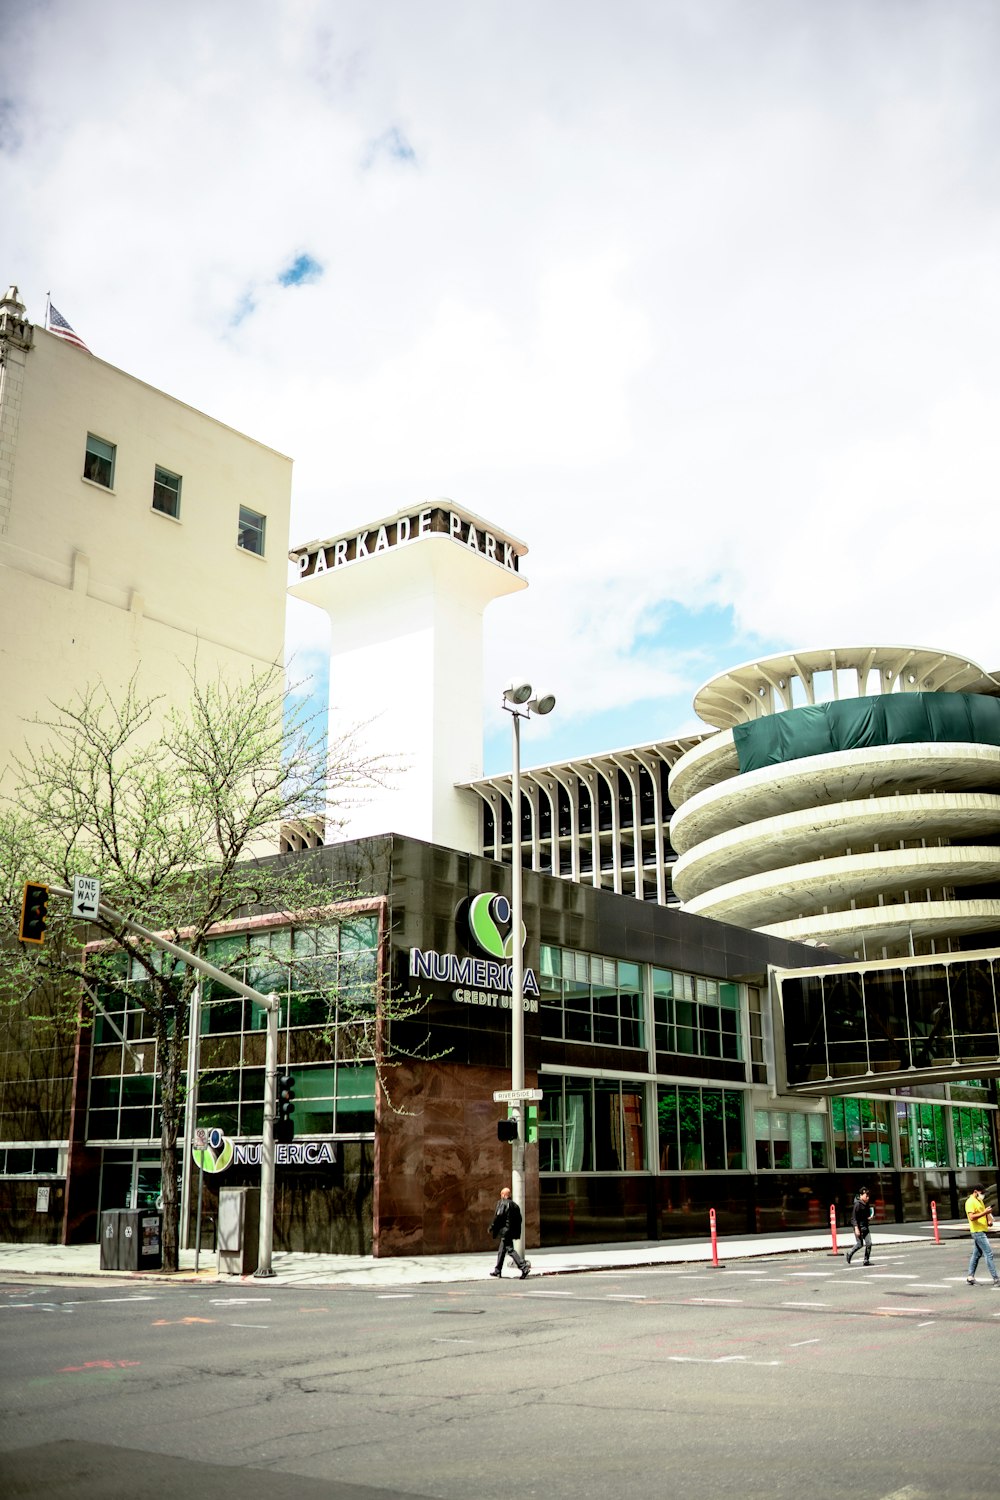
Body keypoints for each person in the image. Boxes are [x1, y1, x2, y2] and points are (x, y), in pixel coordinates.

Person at [488, 1186, 531, 1279]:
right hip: (511, 1231)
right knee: (501, 1251)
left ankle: (523, 1267)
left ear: (504, 1195)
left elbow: (498, 1217)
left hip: (504, 1231)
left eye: (501, 1194)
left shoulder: (502, 1203)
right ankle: (497, 1270)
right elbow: (519, 1219)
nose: (500, 1196)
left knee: (510, 1250)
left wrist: (492, 1227)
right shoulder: (515, 1205)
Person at [964, 1186, 999, 1287]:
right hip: (977, 1232)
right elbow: (971, 1217)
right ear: (975, 1191)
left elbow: (981, 1214)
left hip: (981, 1230)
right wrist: (985, 1212)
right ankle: (996, 1278)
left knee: (977, 1254)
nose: (983, 1194)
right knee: (989, 1254)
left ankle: (970, 1277)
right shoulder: (970, 1202)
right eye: (982, 1192)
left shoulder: (979, 1201)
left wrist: (988, 1220)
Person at [844, 1186, 874, 1265]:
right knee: (859, 1244)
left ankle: (866, 1260)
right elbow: (853, 1218)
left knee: (869, 1243)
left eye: (868, 1196)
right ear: (861, 1195)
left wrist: (869, 1218)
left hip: (865, 1227)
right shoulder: (857, 1205)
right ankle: (849, 1253)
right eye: (866, 1196)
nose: (868, 1197)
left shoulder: (867, 1204)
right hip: (859, 1227)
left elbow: (865, 1216)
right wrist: (856, 1229)